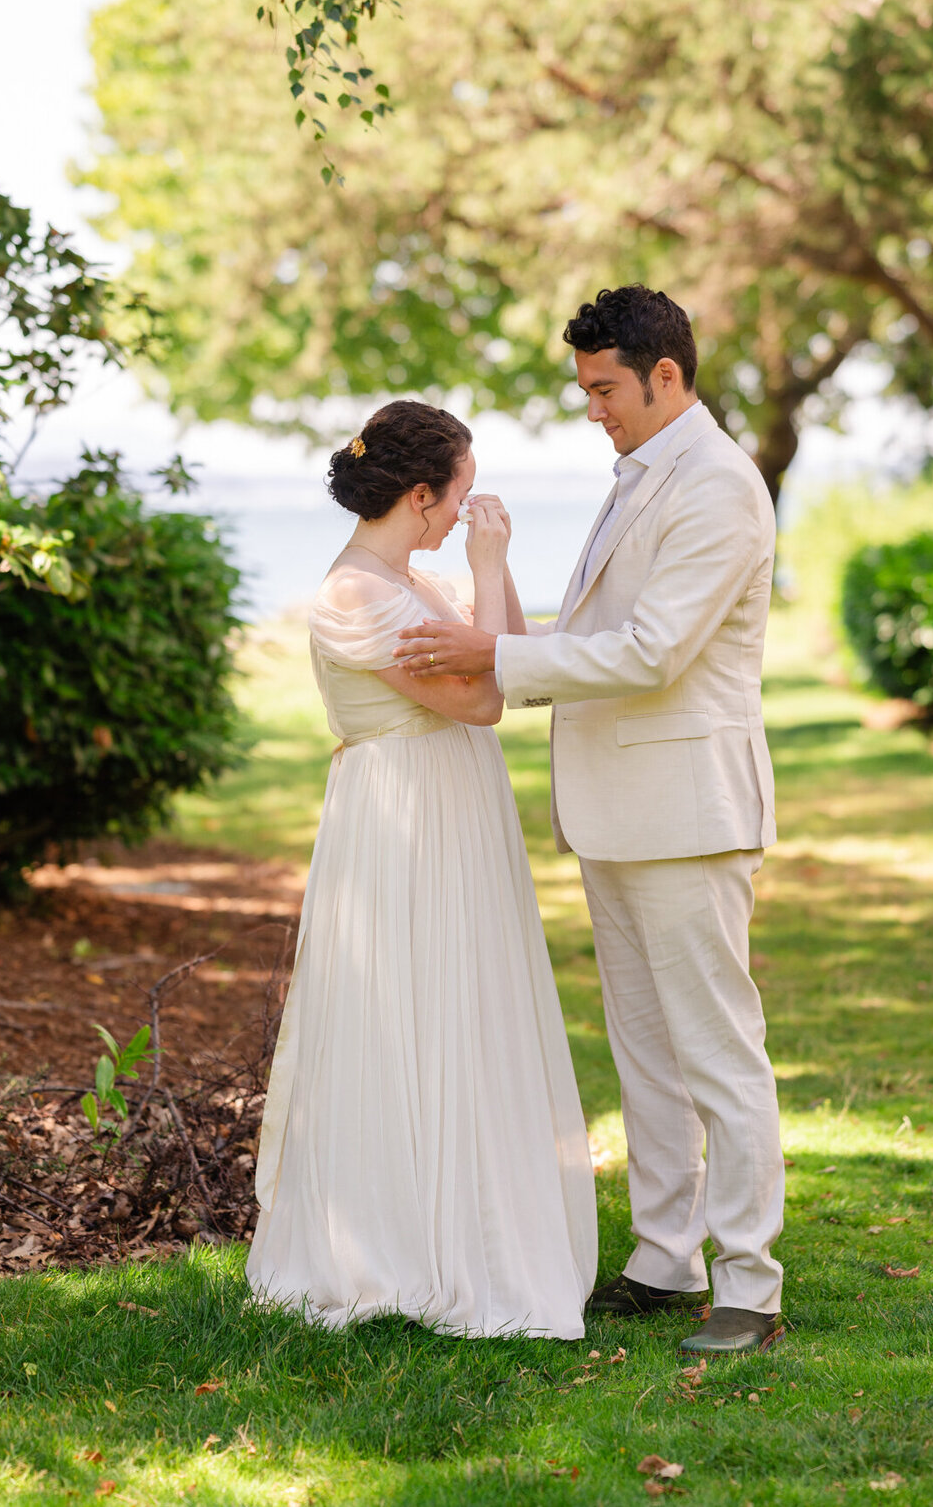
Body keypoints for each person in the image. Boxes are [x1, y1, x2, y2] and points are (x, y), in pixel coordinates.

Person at [396, 286, 785, 1362]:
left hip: (687, 811)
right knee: (647, 1051)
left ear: (667, 375)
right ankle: (666, 1257)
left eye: (605, 387)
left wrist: (496, 659)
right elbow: (604, 630)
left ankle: (750, 1284)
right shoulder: (641, 478)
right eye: (584, 390)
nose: (593, 408)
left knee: (718, 1052)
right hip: (620, 811)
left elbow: (653, 651)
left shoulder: (716, 486)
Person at [246, 399, 597, 1340]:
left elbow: (510, 656)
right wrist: (481, 573)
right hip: (403, 816)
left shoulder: (415, 577)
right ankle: (406, 1239)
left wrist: (494, 570)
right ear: (418, 494)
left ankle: (478, 1216)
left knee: (471, 1003)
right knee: (412, 1005)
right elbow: (479, 700)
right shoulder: (357, 593)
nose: (464, 513)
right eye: (459, 497)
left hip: (456, 806)